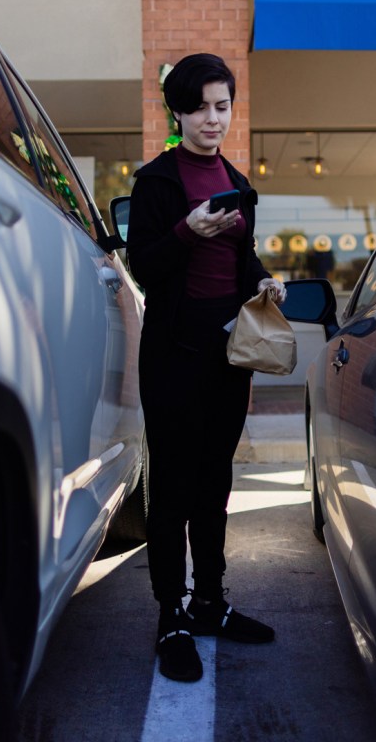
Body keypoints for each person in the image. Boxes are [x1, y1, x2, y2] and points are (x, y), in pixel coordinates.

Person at [126, 53, 286, 682]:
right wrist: (189, 230)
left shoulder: (238, 179)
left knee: (215, 483)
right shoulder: (157, 181)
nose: (213, 119)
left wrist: (265, 277)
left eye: (223, 106)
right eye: (200, 107)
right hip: (174, 352)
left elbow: (240, 260)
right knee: (172, 487)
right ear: (178, 112)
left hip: (229, 352)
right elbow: (144, 266)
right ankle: (170, 615)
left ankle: (211, 603)